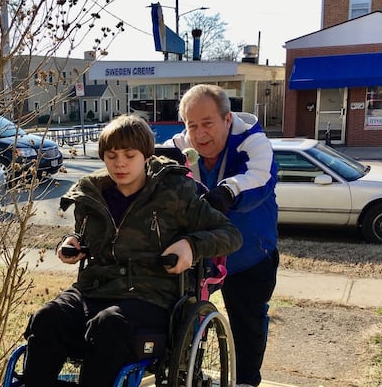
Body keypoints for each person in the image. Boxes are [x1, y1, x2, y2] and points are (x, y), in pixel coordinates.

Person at [23, 114, 242, 387]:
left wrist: (190, 245)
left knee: (108, 325)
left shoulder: (174, 193)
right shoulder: (92, 194)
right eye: (112, 155)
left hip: (150, 295)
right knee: (47, 318)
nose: (120, 163)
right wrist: (72, 243)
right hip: (94, 289)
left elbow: (230, 235)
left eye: (129, 154)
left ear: (146, 156)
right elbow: (83, 236)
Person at [167, 84, 279, 387]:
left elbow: (259, 178)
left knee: (248, 324)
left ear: (227, 119)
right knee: (185, 320)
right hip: (201, 255)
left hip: (249, 255)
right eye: (192, 125)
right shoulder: (178, 147)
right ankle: (190, 374)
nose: (200, 133)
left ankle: (245, 381)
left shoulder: (252, 142)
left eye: (208, 123)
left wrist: (227, 192)